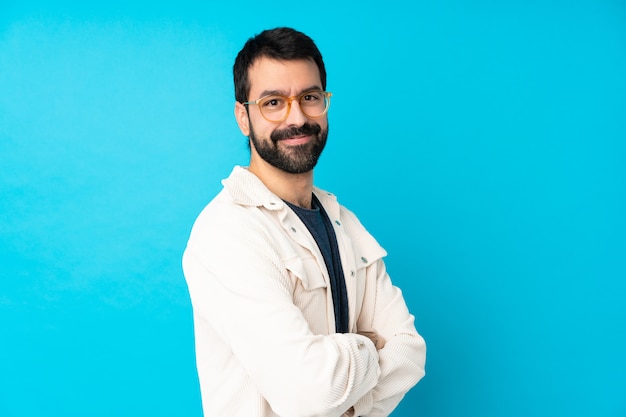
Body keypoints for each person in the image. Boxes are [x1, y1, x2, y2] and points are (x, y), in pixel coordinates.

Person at [182, 27, 426, 417]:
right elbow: (309, 395)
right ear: (243, 117)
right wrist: (365, 344)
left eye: (310, 98)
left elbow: (411, 350)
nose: (297, 118)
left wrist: (340, 388)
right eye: (273, 102)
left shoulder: (343, 221)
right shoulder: (227, 232)